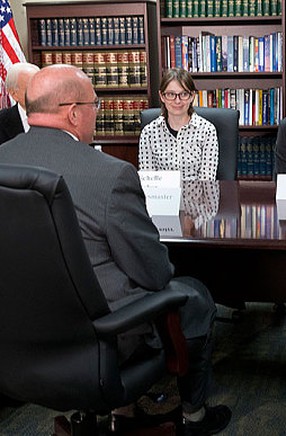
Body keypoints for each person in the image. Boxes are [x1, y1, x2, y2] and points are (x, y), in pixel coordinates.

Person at [0, 65, 231, 435]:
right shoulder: (110, 175)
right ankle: (194, 416)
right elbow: (155, 273)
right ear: (74, 112)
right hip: (99, 338)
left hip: (14, 342)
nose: (98, 111)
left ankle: (122, 415)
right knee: (197, 296)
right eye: (95, 103)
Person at [139, 68, 219, 181]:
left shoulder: (207, 130)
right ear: (162, 96)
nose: (177, 101)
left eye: (184, 94)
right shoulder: (149, 133)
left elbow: (207, 180)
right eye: (171, 94)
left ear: (192, 96)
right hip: (162, 196)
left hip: (196, 197)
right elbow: (148, 179)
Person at [0, 62, 40, 144]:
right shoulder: (2, 121)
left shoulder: (58, 116)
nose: (40, 93)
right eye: (32, 88)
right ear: (14, 94)